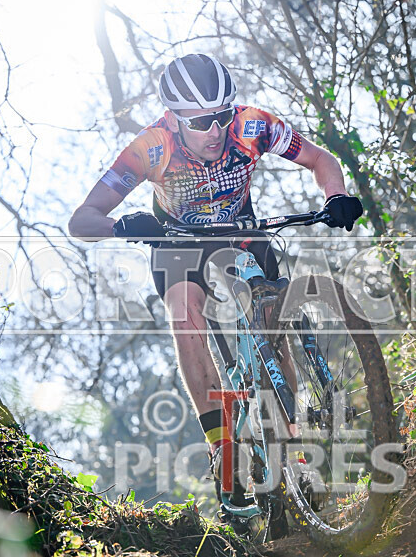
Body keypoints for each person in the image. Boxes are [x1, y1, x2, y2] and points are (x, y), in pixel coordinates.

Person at [69, 53, 363, 509]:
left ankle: (294, 447)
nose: (215, 130)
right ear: (174, 118)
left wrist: (337, 196)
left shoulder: (252, 125)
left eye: (222, 116)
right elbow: (81, 220)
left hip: (239, 228)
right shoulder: (151, 147)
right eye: (202, 121)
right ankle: (221, 448)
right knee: (186, 315)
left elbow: (319, 159)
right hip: (176, 236)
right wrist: (122, 226)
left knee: (272, 319)